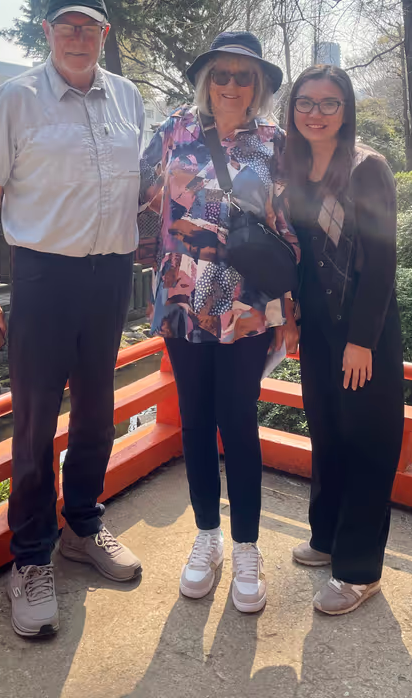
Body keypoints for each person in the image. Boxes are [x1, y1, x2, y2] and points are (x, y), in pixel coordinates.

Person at [0, 0, 145, 639]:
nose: (77, 36)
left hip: (111, 275)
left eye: (89, 26)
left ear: (106, 34)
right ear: (47, 31)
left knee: (98, 408)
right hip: (42, 276)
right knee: (37, 419)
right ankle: (32, 557)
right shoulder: (17, 99)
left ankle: (84, 525)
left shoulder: (129, 99)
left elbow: (144, 192)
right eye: (66, 25)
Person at [139, 31, 299, 615]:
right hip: (182, 297)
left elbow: (288, 227)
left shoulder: (274, 141)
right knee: (197, 419)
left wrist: (288, 310)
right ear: (207, 80)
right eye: (222, 75)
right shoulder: (173, 131)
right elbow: (135, 196)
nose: (232, 85)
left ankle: (247, 545)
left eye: (244, 76)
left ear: (258, 86)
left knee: (239, 419)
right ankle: (206, 535)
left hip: (245, 302)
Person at [284, 65, 404, 616]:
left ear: (347, 109)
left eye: (329, 103)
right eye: (305, 102)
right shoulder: (297, 167)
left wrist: (363, 340)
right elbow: (302, 257)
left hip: (364, 331)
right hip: (319, 328)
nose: (315, 112)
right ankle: (327, 536)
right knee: (328, 432)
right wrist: (293, 318)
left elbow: (381, 262)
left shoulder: (366, 168)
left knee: (366, 442)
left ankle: (359, 570)